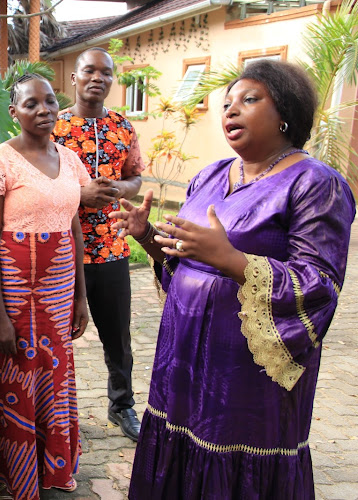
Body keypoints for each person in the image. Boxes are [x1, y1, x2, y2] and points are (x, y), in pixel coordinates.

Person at [112, 60, 355, 499]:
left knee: (231, 455)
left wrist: (230, 259)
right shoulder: (208, 175)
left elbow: (318, 284)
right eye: (226, 103)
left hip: (246, 371)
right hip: (183, 354)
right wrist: (148, 235)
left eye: (249, 99)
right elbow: (184, 264)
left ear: (285, 111)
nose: (231, 110)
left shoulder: (316, 183)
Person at [0, 74, 90, 500]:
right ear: (14, 111)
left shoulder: (71, 160)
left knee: (54, 375)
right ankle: (14, 474)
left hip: (58, 289)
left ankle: (52, 467)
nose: (43, 110)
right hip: (16, 293)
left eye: (50, 101)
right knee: (14, 374)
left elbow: (74, 230)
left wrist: (81, 298)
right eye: (31, 103)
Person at [51, 47, 145, 441]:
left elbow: (135, 176)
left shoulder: (123, 126)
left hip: (111, 247)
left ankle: (121, 405)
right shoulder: (51, 127)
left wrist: (119, 188)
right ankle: (53, 412)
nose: (97, 78)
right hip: (58, 249)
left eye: (105, 73)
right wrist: (79, 193)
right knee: (54, 336)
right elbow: (35, 183)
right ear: (74, 77)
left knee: (117, 336)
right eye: (89, 70)